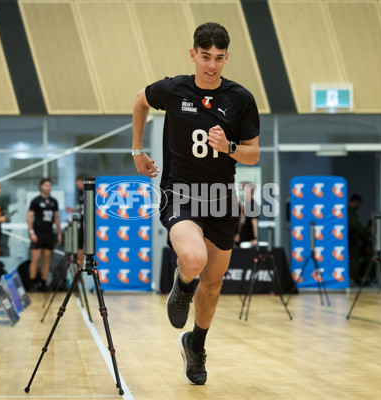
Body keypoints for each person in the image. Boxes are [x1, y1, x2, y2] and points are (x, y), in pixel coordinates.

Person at [132, 22, 260, 385]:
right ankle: (182, 284)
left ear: (226, 58)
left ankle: (195, 343)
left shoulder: (240, 98)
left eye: (219, 58)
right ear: (193, 54)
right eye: (205, 57)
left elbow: (253, 154)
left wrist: (230, 148)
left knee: (214, 284)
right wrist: (137, 150)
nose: (211, 65)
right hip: (181, 190)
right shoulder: (174, 89)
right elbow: (140, 100)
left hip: (221, 199)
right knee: (193, 259)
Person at [27, 178, 62, 292]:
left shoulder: (53, 201)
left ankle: (43, 283)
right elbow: (29, 217)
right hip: (37, 233)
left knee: (47, 259)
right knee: (35, 259)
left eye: (50, 185)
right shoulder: (35, 201)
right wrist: (31, 232)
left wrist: (59, 233)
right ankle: (32, 283)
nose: (49, 187)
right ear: (41, 186)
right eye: (46, 185)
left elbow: (56, 218)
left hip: (49, 233)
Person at [347, 193, 372, 284]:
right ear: (355, 202)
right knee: (353, 259)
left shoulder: (350, 212)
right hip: (351, 239)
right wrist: (367, 232)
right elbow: (356, 226)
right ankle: (354, 278)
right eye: (359, 203)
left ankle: (355, 278)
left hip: (351, 239)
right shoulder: (349, 212)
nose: (359, 206)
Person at [66, 173, 89, 262]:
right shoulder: (80, 193)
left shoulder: (91, 191)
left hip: (90, 221)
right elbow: (82, 208)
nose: (76, 183)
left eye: (77, 181)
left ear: (83, 181)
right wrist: (73, 210)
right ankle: (79, 269)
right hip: (82, 220)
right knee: (80, 244)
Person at [238, 182, 259, 247]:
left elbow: (254, 222)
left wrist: (256, 238)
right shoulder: (246, 205)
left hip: (249, 240)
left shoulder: (253, 205)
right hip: (242, 237)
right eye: (245, 191)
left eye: (247, 191)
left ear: (252, 192)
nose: (245, 193)